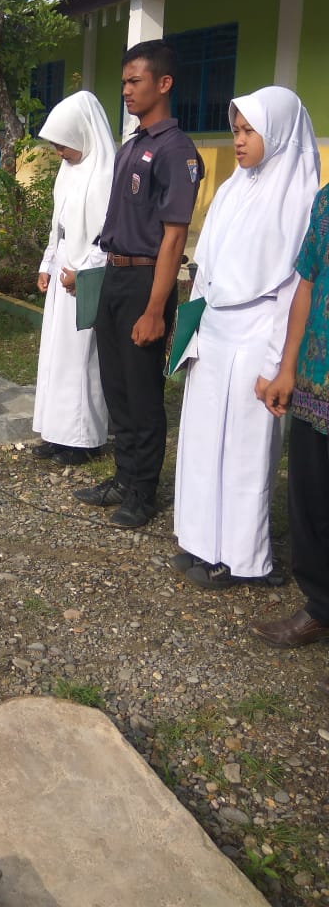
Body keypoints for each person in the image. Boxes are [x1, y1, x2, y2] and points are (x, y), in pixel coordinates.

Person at [173, 88, 319, 589]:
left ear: (276, 133)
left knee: (245, 450)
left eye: (248, 131)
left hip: (260, 332)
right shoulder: (235, 187)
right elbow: (207, 264)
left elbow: (290, 289)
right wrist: (192, 331)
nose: (238, 141)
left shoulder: (299, 199)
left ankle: (241, 557)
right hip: (215, 329)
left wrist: (279, 364)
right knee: (201, 439)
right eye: (235, 130)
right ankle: (198, 538)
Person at [74, 40, 203, 528]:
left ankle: (144, 493)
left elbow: (173, 237)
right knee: (116, 386)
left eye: (135, 81)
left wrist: (155, 309)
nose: (125, 90)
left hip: (147, 278)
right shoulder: (132, 145)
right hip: (115, 273)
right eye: (123, 81)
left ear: (163, 84)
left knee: (143, 390)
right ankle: (124, 477)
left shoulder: (175, 150)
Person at [253, 180, 329, 689]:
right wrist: (287, 368)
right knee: (311, 503)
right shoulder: (327, 202)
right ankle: (320, 605)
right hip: (315, 383)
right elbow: (306, 282)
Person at [32, 91, 115, 464]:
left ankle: (84, 437)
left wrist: (82, 274)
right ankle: (57, 431)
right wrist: (47, 264)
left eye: (64, 145)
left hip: (88, 271)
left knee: (82, 357)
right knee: (56, 353)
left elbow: (107, 237)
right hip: (65, 264)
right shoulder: (68, 172)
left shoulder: (105, 173)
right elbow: (59, 226)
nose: (60, 153)